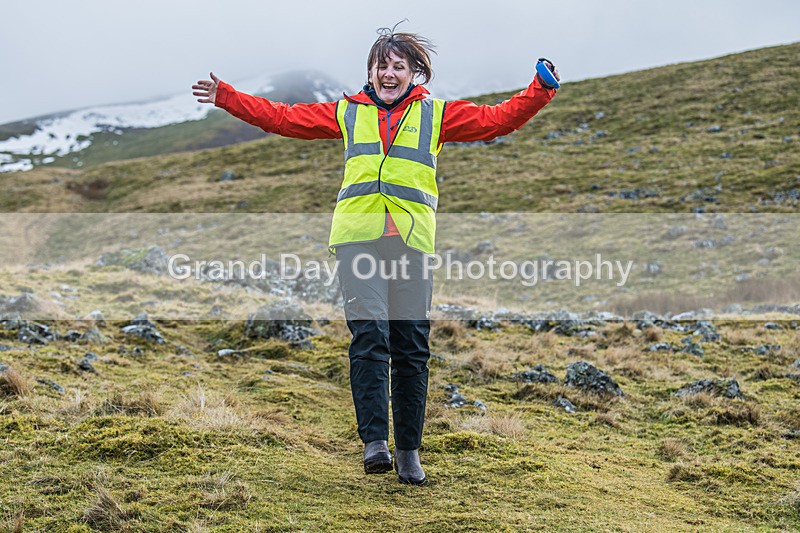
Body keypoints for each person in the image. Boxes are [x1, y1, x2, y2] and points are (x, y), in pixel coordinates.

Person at [193, 26, 559, 486]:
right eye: (381, 65)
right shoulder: (347, 112)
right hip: (357, 238)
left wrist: (539, 90)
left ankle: (409, 452)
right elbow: (283, 117)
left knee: (411, 348)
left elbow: (495, 120)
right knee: (369, 337)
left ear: (414, 73)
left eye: (398, 66)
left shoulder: (437, 115)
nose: (389, 73)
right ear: (370, 70)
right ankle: (375, 445)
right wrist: (226, 95)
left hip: (411, 241)